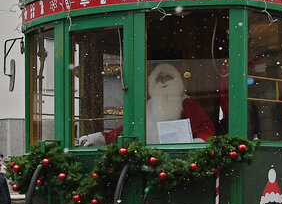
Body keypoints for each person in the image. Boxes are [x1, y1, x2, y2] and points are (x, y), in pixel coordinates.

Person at [78, 62, 216, 146]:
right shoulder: (148, 106)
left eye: (167, 77)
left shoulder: (187, 103)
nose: (163, 82)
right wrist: (95, 139)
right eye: (159, 78)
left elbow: (207, 130)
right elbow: (125, 131)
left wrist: (193, 148)